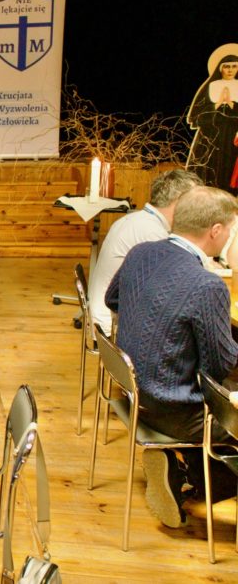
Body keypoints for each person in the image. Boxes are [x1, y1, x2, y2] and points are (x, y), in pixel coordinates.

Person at [105, 185, 238, 528]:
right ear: (216, 230)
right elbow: (218, 367)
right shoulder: (207, 286)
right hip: (176, 411)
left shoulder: (141, 253)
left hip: (135, 394)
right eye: (231, 229)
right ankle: (189, 479)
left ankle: (180, 473)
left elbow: (112, 299)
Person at [87, 169, 203, 333]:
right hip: (112, 326)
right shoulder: (151, 232)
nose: (198, 209)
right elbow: (181, 286)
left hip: (109, 316)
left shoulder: (138, 220)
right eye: (195, 202)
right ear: (179, 201)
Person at [188, 50, 238, 191]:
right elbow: (198, 114)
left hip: (234, 135)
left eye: (234, 66)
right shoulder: (211, 86)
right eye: (226, 66)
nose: (230, 70)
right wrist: (217, 104)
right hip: (211, 134)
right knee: (210, 166)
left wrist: (232, 104)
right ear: (220, 68)